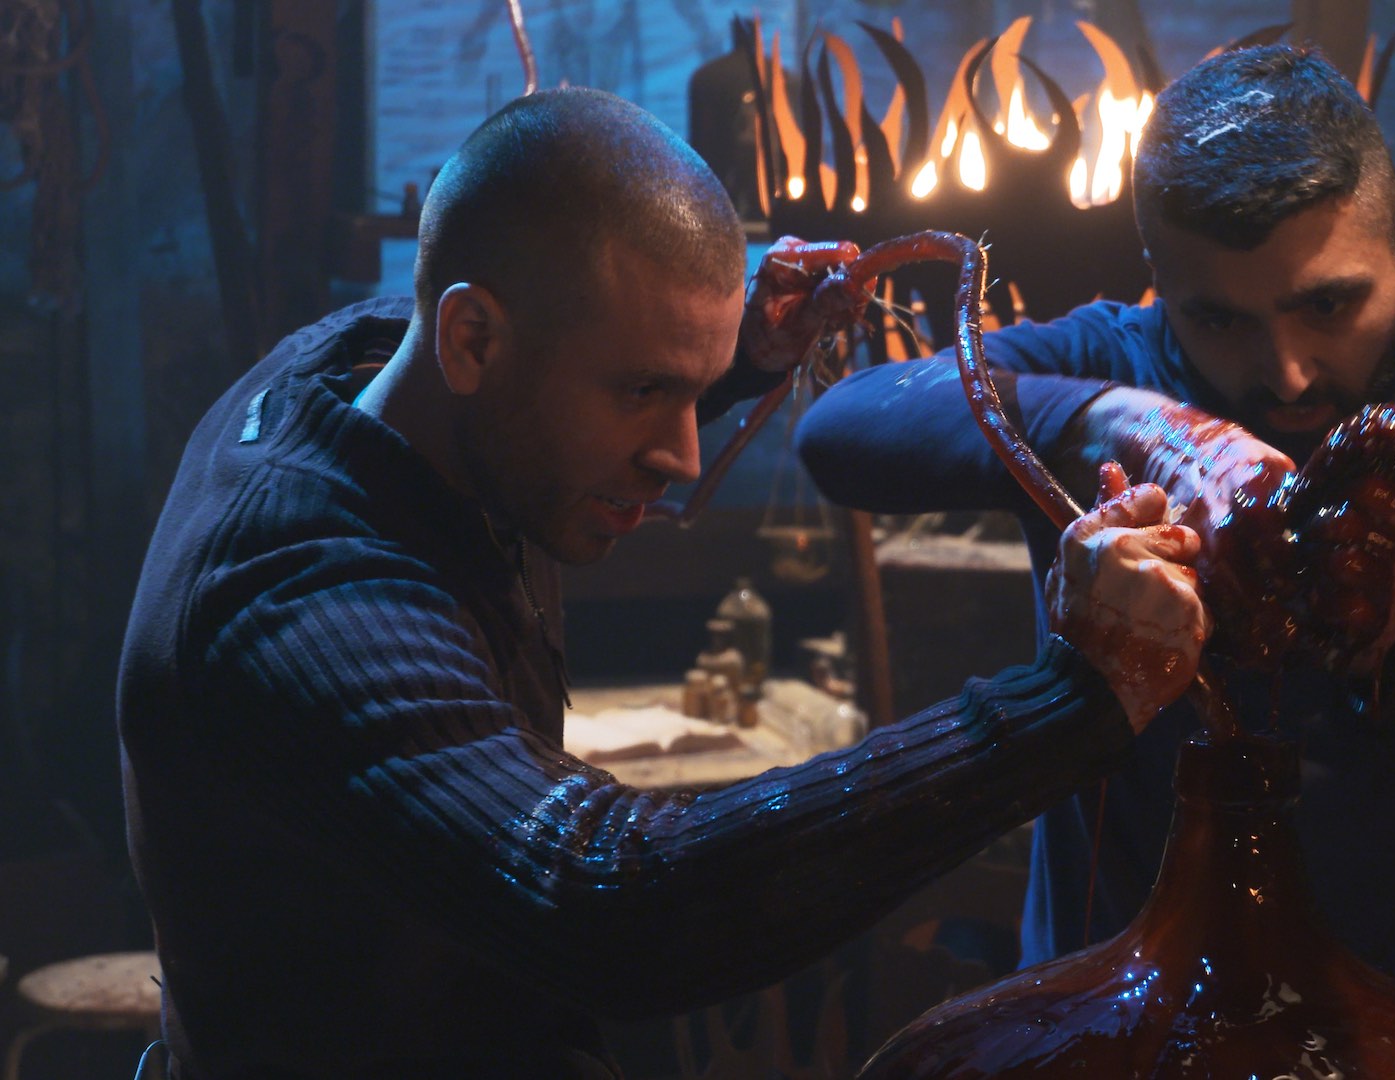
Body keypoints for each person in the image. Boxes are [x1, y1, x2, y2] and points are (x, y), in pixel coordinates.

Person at [117, 88, 1212, 1079]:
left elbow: (545, 360)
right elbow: (612, 905)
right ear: (470, 339)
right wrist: (1068, 701)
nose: (685, 457)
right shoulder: (297, 591)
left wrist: (741, 356)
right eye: (643, 390)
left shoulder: (371, 375)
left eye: (692, 392)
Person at [796, 43, 1395, 1018]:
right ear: (1160, 281)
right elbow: (840, 428)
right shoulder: (1110, 362)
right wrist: (1117, 420)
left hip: (1386, 1036)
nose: (1286, 372)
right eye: (1220, 321)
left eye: (1329, 304)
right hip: (1103, 1031)